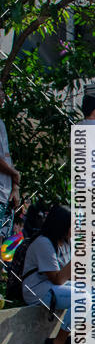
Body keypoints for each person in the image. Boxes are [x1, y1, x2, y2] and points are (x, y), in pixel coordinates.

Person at [21, 204, 95, 344]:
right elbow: (57, 279)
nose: (76, 229)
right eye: (73, 225)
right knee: (82, 299)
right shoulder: (43, 242)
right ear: (61, 225)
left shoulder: (65, 241)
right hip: (37, 289)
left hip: (57, 286)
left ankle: (75, 342)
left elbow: (72, 276)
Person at [0, 84, 21, 244]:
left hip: (5, 194)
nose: (2, 95)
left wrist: (15, 186)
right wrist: (14, 174)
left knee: (4, 242)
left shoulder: (1, 123)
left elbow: (6, 157)